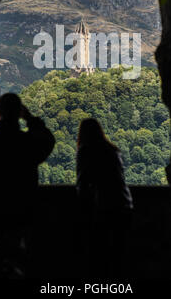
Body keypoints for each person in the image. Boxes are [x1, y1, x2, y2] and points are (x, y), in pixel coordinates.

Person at [0, 93, 55, 278]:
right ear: (19, 112)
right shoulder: (28, 143)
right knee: (21, 262)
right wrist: (30, 119)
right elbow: (47, 140)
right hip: (22, 211)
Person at [76, 118, 133, 278]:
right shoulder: (113, 150)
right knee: (118, 253)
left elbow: (83, 183)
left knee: (98, 254)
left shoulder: (85, 150)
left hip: (102, 207)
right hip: (124, 204)